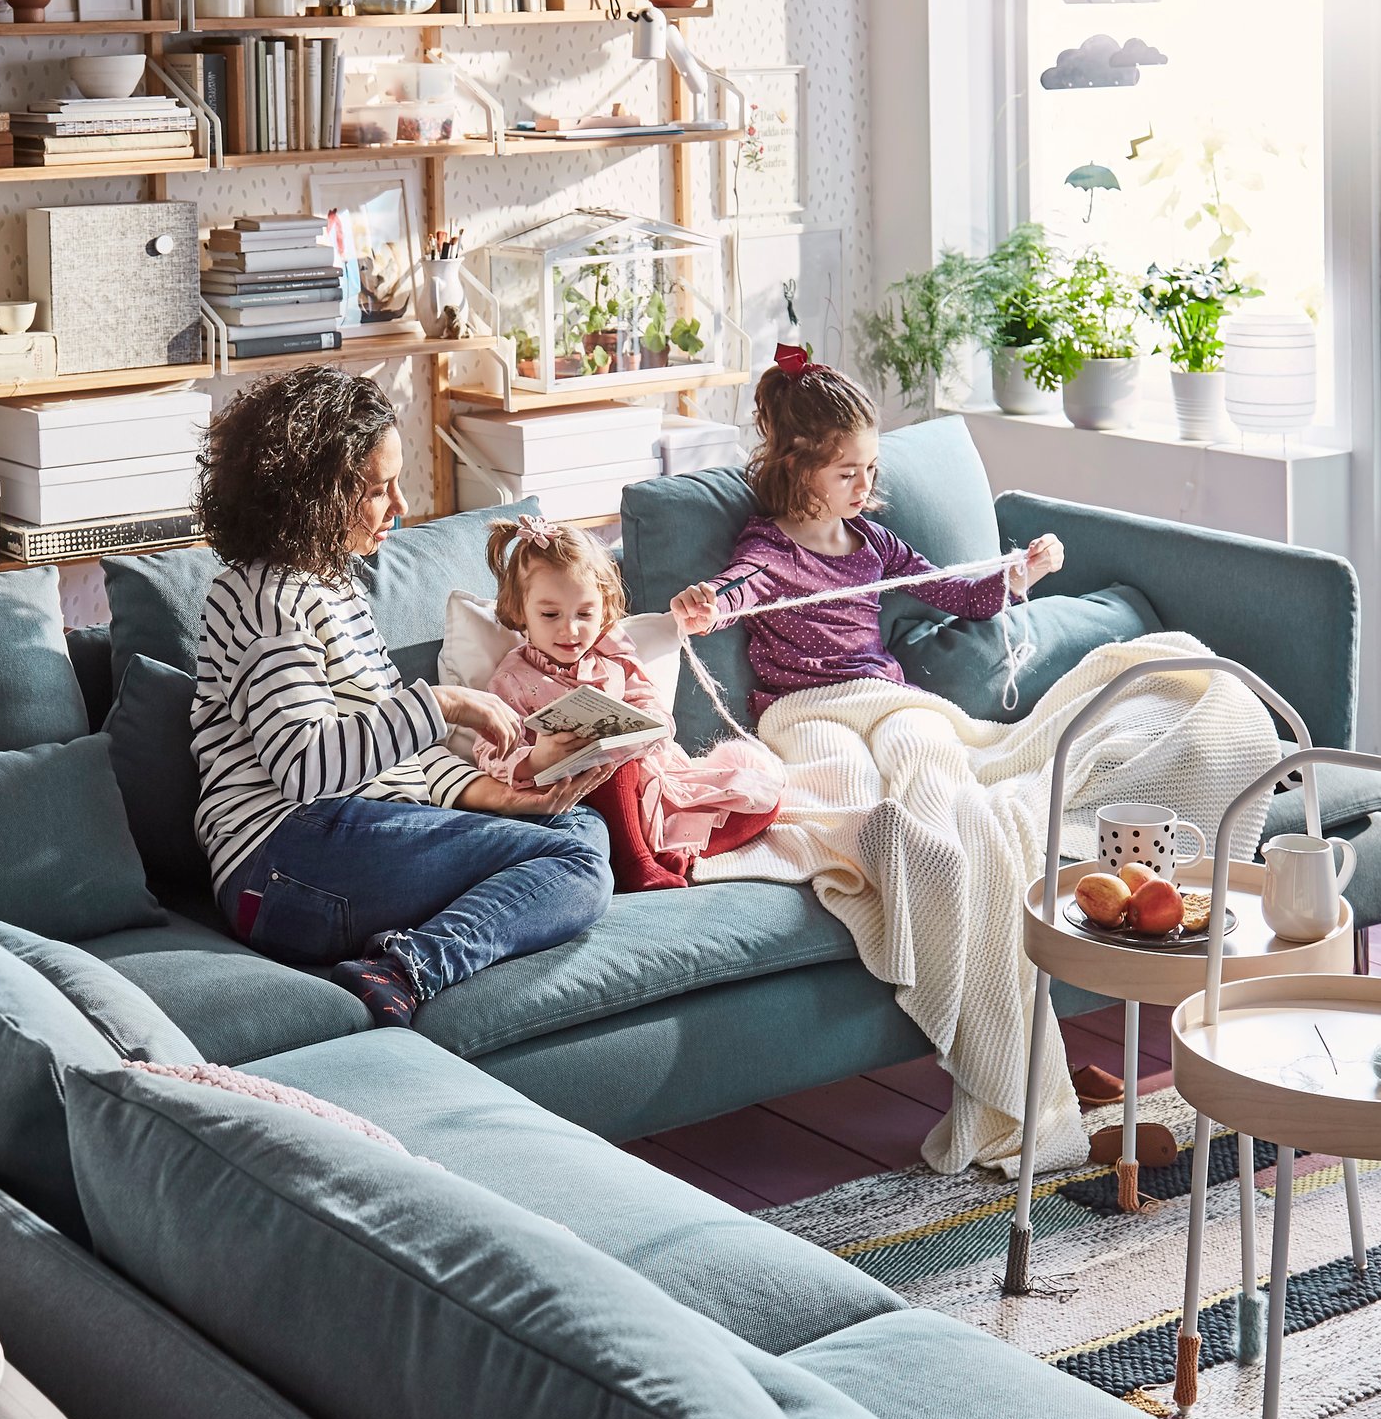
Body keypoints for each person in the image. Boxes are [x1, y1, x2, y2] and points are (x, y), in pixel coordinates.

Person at [190, 367, 615, 1029]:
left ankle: (399, 964)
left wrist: (496, 799)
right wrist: (443, 705)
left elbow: (398, 765)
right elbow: (306, 768)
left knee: (580, 833)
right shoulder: (262, 595)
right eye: (376, 488)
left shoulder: (336, 589)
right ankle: (410, 969)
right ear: (314, 494)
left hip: (349, 840)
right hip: (280, 862)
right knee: (572, 857)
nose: (401, 506)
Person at [668, 346, 1065, 705]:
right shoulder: (771, 550)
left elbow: (961, 598)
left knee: (932, 746)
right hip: (806, 711)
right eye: (847, 474)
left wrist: (1020, 574)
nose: (865, 485)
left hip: (880, 695)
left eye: (871, 468)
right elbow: (735, 590)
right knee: (847, 770)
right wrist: (707, 607)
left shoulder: (876, 544)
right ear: (798, 468)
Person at [475, 514, 782, 892]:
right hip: (582, 794)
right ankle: (636, 863)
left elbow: (656, 713)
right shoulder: (511, 677)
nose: (569, 630)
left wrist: (640, 728)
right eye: (550, 614)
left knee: (765, 800)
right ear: (520, 611)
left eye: (584, 614)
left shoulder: (614, 657)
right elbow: (489, 751)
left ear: (603, 609)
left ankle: (669, 857)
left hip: (652, 783)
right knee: (609, 761)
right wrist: (537, 758)